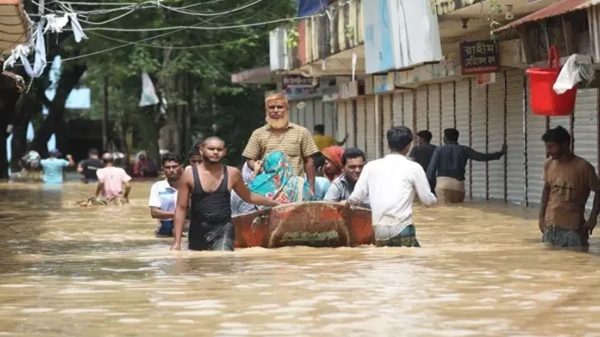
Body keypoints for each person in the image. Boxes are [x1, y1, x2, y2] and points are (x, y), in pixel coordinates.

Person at [171, 137, 279, 251]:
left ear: (225, 152)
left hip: (223, 229)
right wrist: (177, 242)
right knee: (199, 265)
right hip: (197, 229)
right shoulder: (189, 175)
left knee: (223, 259)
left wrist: (274, 203)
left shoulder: (233, 173)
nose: (215, 152)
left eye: (219, 149)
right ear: (202, 150)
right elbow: (181, 208)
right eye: (211, 149)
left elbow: (248, 196)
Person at [347, 126, 436, 247]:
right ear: (408, 146)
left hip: (378, 230)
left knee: (384, 264)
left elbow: (355, 198)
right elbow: (427, 200)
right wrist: (435, 201)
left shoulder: (370, 166)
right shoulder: (414, 168)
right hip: (402, 228)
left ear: (388, 145)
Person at [242, 93, 319, 192]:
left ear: (287, 109)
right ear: (266, 110)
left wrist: (311, 187)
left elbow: (309, 161)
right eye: (271, 107)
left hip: (295, 188)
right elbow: (250, 160)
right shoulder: (258, 134)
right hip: (267, 189)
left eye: (280, 107)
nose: (276, 110)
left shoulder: (302, 132)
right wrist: (258, 168)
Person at [539, 126, 600, 248]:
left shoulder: (584, 167)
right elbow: (546, 189)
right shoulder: (549, 164)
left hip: (573, 231)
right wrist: (541, 217)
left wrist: (593, 218)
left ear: (565, 144)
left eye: (551, 146)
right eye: (546, 147)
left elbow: (598, 191)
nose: (548, 151)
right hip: (550, 229)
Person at [426, 128, 506, 204]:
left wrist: (428, 188)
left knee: (444, 213)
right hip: (458, 185)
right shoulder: (464, 150)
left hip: (442, 184)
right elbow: (481, 157)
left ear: (445, 138)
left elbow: (431, 169)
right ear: (457, 138)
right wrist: (499, 154)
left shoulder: (439, 150)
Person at [148, 153, 184, 236]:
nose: (171, 170)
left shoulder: (189, 184)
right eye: (168, 167)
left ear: (181, 167)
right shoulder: (157, 186)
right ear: (163, 169)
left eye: (174, 166)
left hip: (187, 227)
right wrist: (178, 214)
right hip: (165, 227)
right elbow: (154, 213)